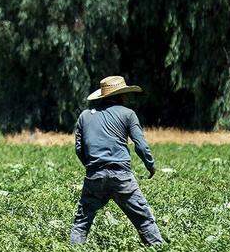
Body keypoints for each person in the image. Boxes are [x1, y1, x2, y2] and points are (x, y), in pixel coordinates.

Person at [69, 76, 165, 246]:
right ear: (120, 96)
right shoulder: (128, 114)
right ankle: (158, 248)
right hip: (121, 177)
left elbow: (79, 149)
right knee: (144, 220)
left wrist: (92, 168)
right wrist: (150, 166)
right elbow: (141, 146)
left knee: (81, 223)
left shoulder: (84, 116)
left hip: (94, 176)